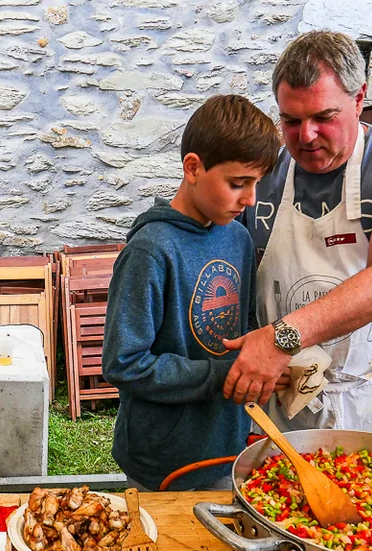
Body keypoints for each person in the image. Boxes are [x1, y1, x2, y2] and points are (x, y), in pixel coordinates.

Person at [228, 30, 372, 439]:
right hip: (283, 400)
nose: (306, 136)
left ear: (359, 99)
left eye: (324, 117)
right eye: (291, 120)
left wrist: (281, 338)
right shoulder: (265, 170)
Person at [102, 95, 281, 491]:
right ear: (193, 168)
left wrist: (259, 362)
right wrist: (221, 374)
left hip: (228, 448)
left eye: (256, 184)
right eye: (238, 184)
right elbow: (124, 363)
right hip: (162, 461)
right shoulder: (150, 250)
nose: (250, 199)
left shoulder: (237, 237)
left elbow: (242, 325)